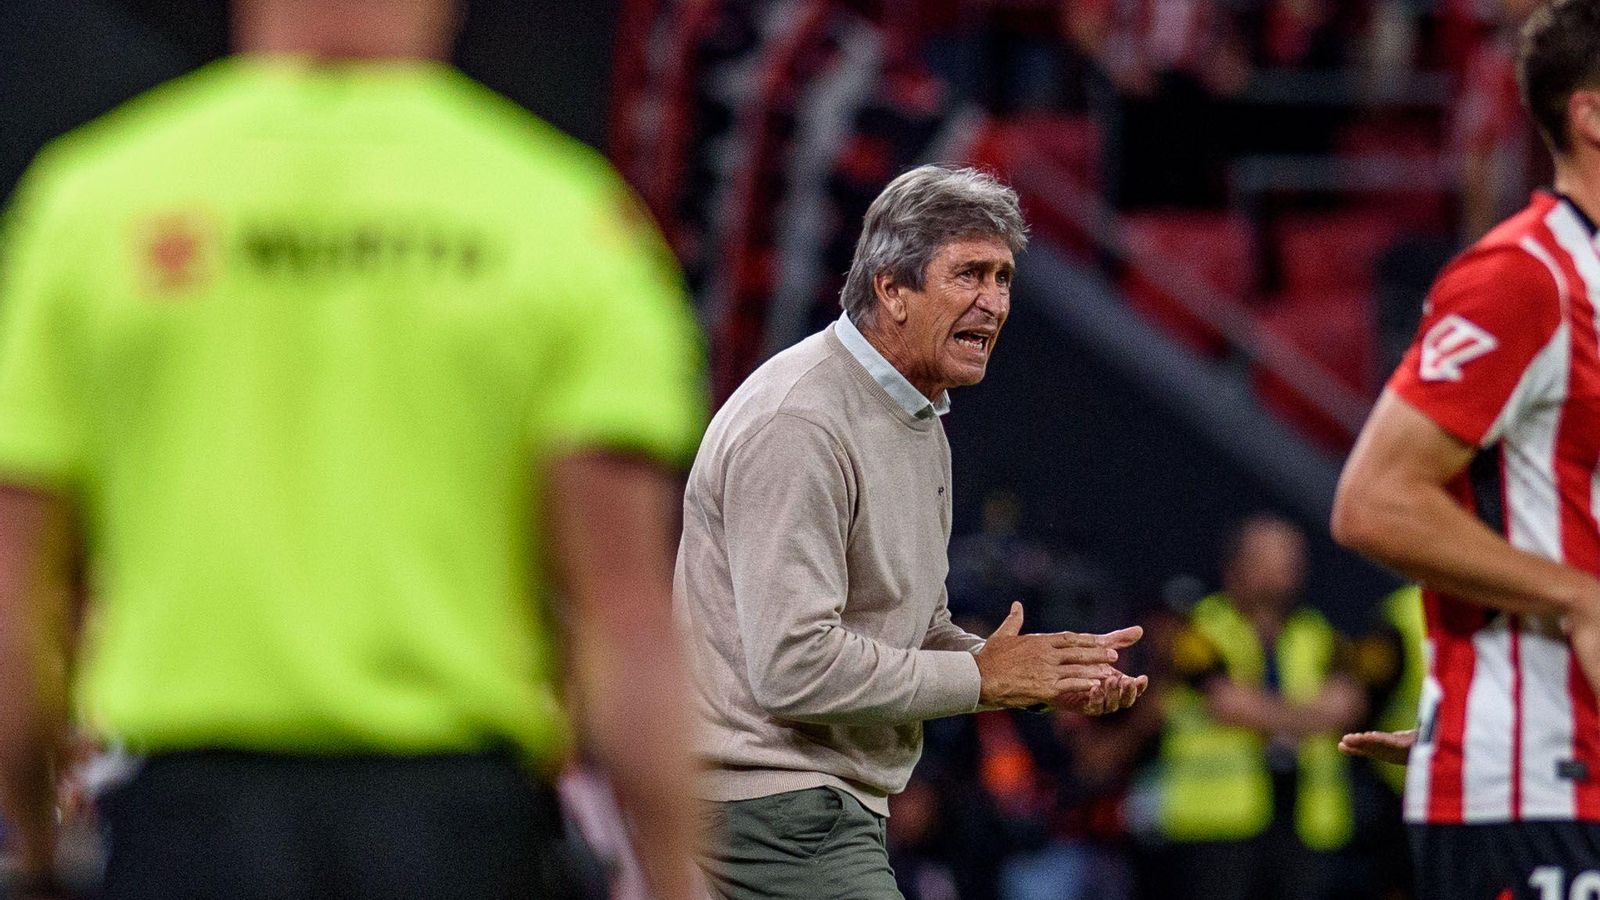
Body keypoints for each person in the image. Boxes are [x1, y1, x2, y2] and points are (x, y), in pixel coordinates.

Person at [0, 1, 708, 898]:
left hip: (185, 829)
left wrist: (35, 845)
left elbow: (17, 608)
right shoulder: (566, 221)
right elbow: (627, 623)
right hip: (458, 832)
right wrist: (679, 878)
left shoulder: (92, 205)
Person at [673, 163, 1149, 900]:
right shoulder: (801, 423)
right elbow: (793, 666)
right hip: (771, 809)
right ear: (892, 289)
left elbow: (912, 632)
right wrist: (985, 677)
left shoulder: (916, 419)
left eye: (1004, 278)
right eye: (970, 275)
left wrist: (1030, 677)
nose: (995, 302)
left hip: (823, 806)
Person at [1331, 2, 1600, 896]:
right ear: (1591, 115)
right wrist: (1576, 598)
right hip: (1540, 787)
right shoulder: (1525, 278)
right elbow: (1375, 500)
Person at [1151, 513, 1366, 900]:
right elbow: (1227, 703)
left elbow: (1349, 705)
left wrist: (1263, 712)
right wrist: (1310, 717)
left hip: (1305, 823)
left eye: (1293, 557)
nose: (1288, 568)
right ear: (1237, 566)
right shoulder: (1200, 629)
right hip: (1218, 826)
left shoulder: (1317, 632)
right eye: (1272, 557)